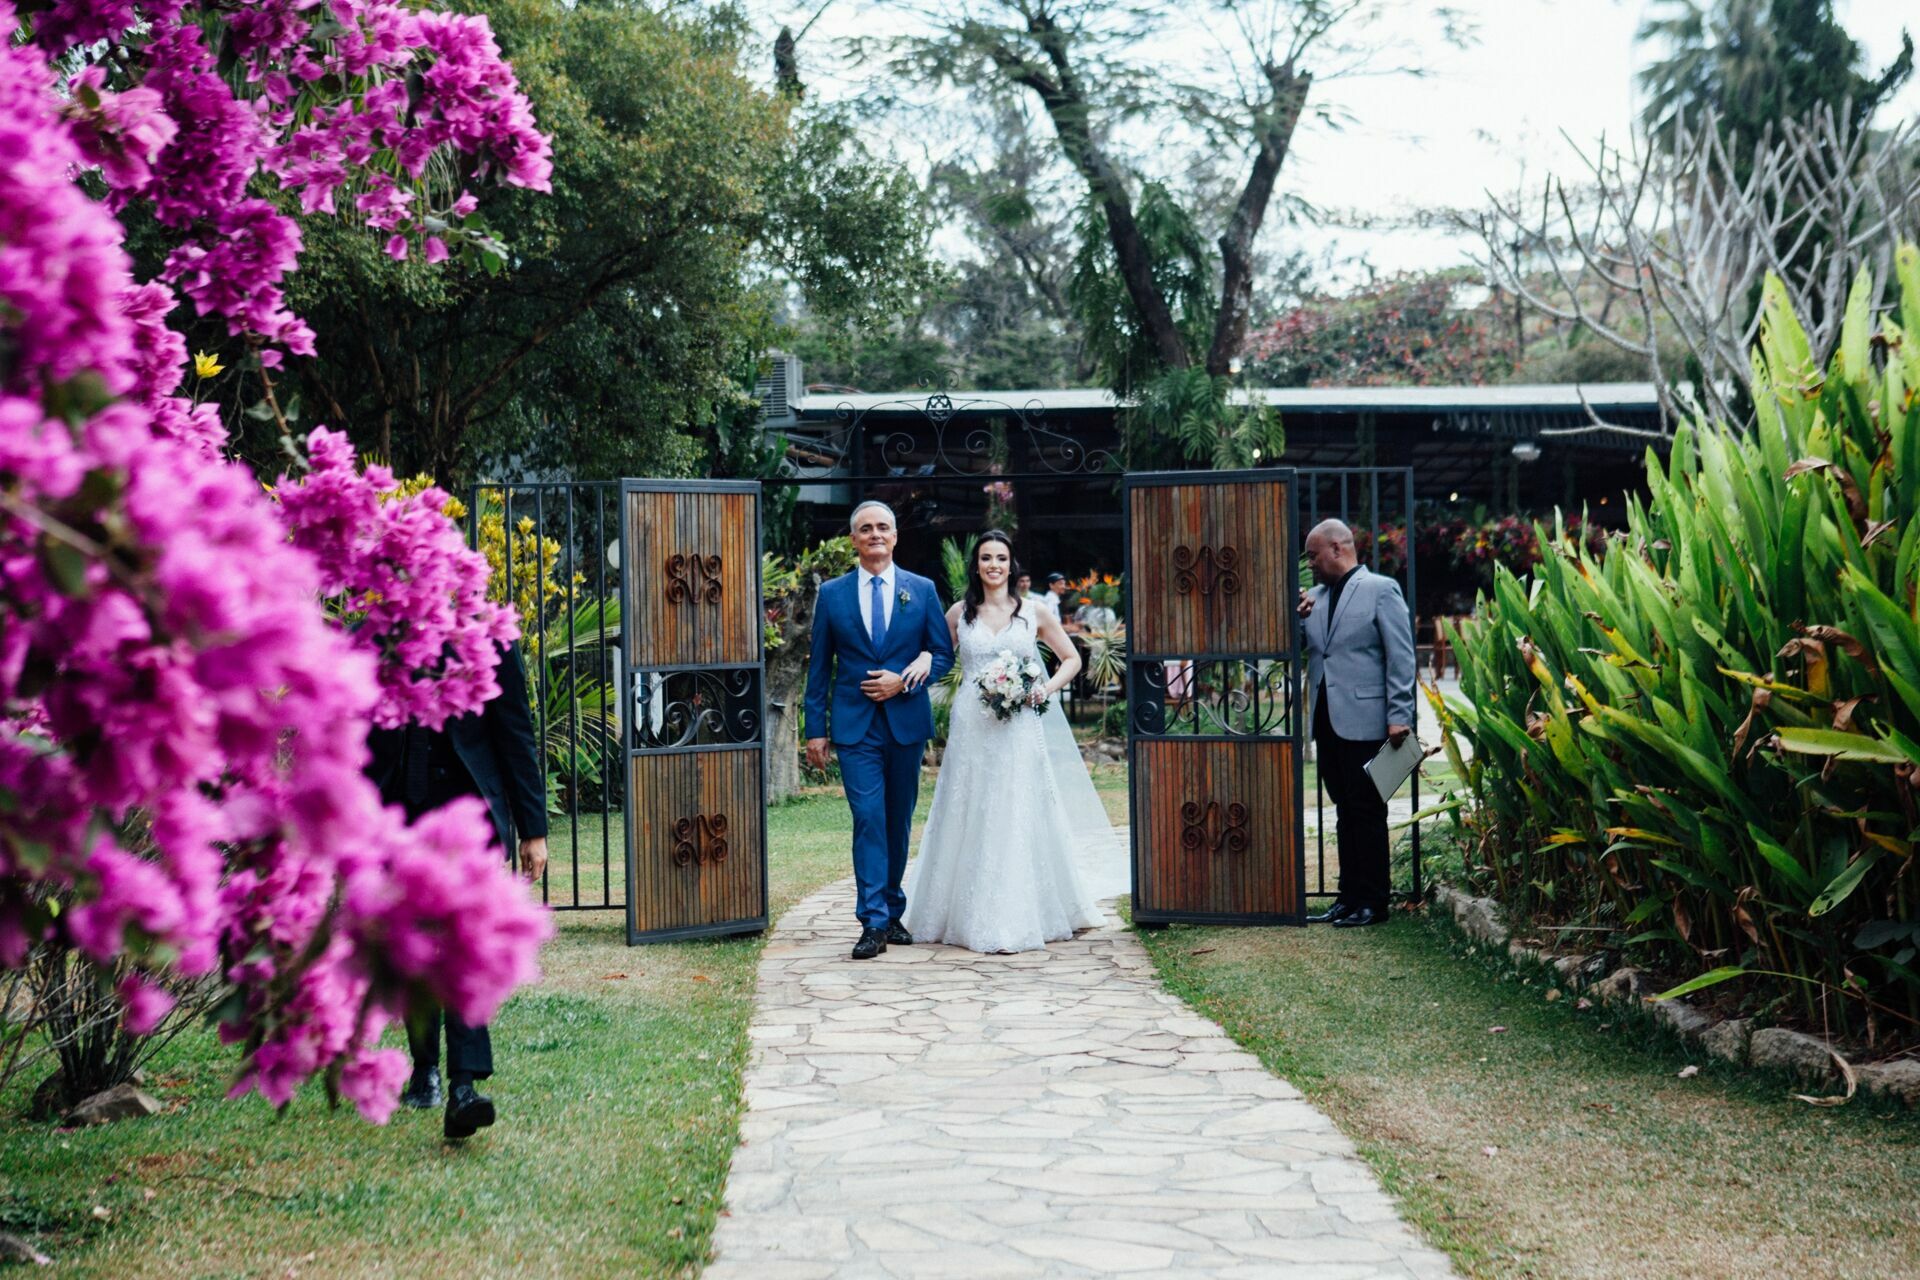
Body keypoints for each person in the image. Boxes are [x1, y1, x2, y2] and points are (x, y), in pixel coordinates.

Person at [365, 641, 548, 1138]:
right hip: (398, 816)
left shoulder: (491, 640)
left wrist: (533, 829)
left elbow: (515, 735)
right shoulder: (381, 634)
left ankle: (464, 1085)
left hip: (469, 818)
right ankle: (424, 1069)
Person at [904, 531, 1109, 953]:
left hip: (1017, 726)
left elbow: (1071, 659)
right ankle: (954, 910)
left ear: (1011, 564)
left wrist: (1044, 689)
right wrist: (924, 657)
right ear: (976, 565)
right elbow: (937, 652)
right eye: (985, 558)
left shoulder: (1032, 612)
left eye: (1001, 557)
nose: (993, 565)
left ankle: (1018, 912)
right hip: (971, 724)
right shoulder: (960, 613)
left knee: (1015, 806)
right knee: (969, 804)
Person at [805, 501, 956, 960]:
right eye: (865, 528)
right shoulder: (832, 594)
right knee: (868, 817)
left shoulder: (922, 589)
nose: (875, 534)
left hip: (905, 722)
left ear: (895, 537)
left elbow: (942, 653)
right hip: (855, 727)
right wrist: (816, 729)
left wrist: (908, 676)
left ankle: (892, 910)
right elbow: (819, 667)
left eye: (883, 527)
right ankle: (871, 922)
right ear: (853, 539)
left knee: (897, 819)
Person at [1298, 519, 1417, 928]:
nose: (1309, 563)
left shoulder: (1381, 590)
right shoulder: (1312, 598)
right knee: (1344, 811)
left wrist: (1399, 716)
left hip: (1369, 722)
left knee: (1367, 811)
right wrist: (1296, 621)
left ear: (1336, 548)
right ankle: (1347, 898)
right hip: (1327, 722)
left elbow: (1400, 656)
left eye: (1313, 555)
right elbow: (1310, 650)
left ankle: (1373, 902)